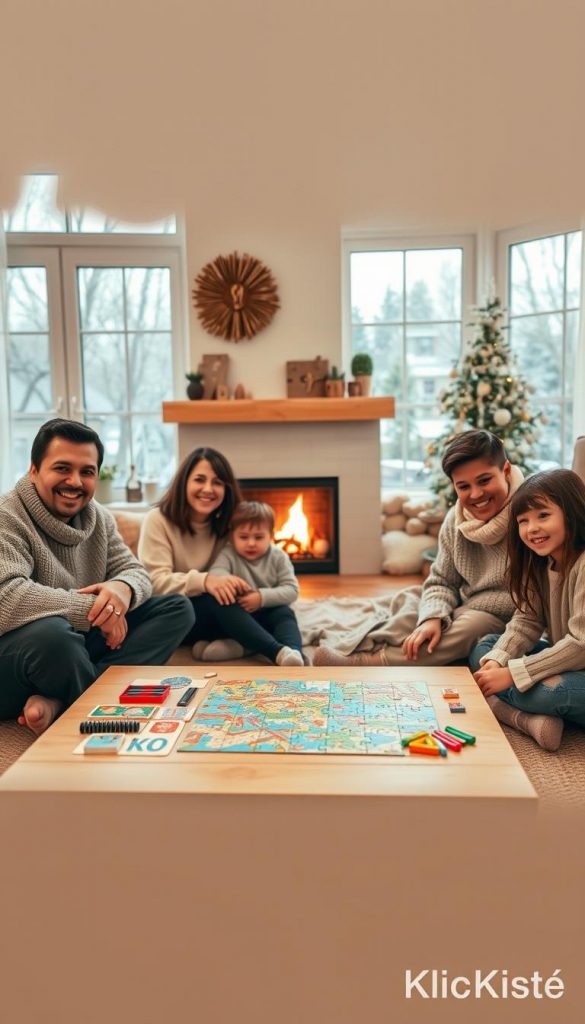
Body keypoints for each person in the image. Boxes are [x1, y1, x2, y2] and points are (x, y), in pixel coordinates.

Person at [0, 419, 194, 735]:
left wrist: (121, 590)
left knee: (177, 608)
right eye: (62, 468)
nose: (75, 481)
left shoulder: (99, 518)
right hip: (21, 653)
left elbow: (137, 574)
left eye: (87, 471)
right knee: (54, 635)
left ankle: (62, 700)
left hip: (73, 647)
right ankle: (88, 701)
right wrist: (95, 611)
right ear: (34, 469)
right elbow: (6, 597)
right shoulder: (7, 515)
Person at [313, 429, 523, 667]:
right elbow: (441, 581)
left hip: (502, 618)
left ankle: (370, 661)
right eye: (463, 486)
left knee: (472, 626)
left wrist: (457, 615)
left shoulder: (528, 518)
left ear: (505, 471)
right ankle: (365, 644)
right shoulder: (456, 521)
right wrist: (433, 618)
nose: (475, 494)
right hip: (463, 604)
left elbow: (532, 601)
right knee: (412, 597)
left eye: (484, 480)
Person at [471, 469, 585, 752]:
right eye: (523, 521)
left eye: (543, 515)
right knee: (485, 648)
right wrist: (498, 661)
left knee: (554, 692)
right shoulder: (539, 563)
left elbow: (581, 645)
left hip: (575, 666)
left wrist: (513, 674)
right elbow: (526, 621)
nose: (532, 528)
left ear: (571, 512)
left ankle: (504, 708)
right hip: (566, 661)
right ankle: (524, 717)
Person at [196, 500, 303, 666]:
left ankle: (293, 652)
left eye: (259, 537)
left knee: (285, 614)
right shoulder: (228, 554)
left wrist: (261, 597)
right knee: (222, 605)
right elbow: (216, 573)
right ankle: (247, 646)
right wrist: (228, 580)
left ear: (271, 536)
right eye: (243, 537)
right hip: (240, 617)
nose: (251, 543)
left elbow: (292, 590)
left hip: (269, 612)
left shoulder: (278, 557)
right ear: (232, 536)